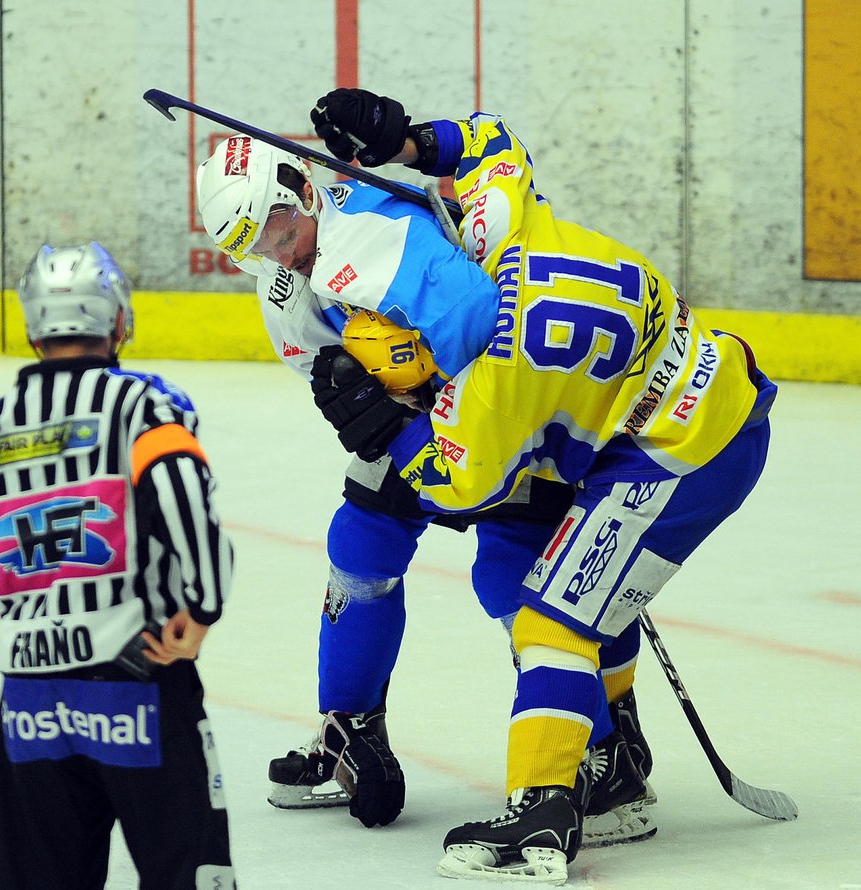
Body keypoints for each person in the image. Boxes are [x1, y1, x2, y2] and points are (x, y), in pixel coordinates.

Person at [307, 89, 778, 883]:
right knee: (557, 591)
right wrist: (410, 141)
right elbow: (491, 139)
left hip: (680, 451)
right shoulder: (501, 228)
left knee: (553, 617)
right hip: (706, 383)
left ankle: (543, 814)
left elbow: (456, 485)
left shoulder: (490, 389)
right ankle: (613, 761)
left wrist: (386, 427)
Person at [194, 136, 656, 845]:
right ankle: (349, 729)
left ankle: (604, 748)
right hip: (429, 408)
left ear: (302, 191)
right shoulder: (292, 275)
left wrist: (420, 384)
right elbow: (328, 369)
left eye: (284, 234)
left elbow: (485, 330)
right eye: (259, 247)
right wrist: (377, 394)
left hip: (503, 399)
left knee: (512, 576)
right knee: (362, 540)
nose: (281, 256)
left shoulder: (379, 237)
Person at [0, 241, 237, 890]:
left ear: (33, 327)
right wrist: (199, 612)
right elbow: (187, 508)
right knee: (187, 874)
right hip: (136, 678)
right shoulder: (143, 406)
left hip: (30, 698)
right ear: (118, 321)